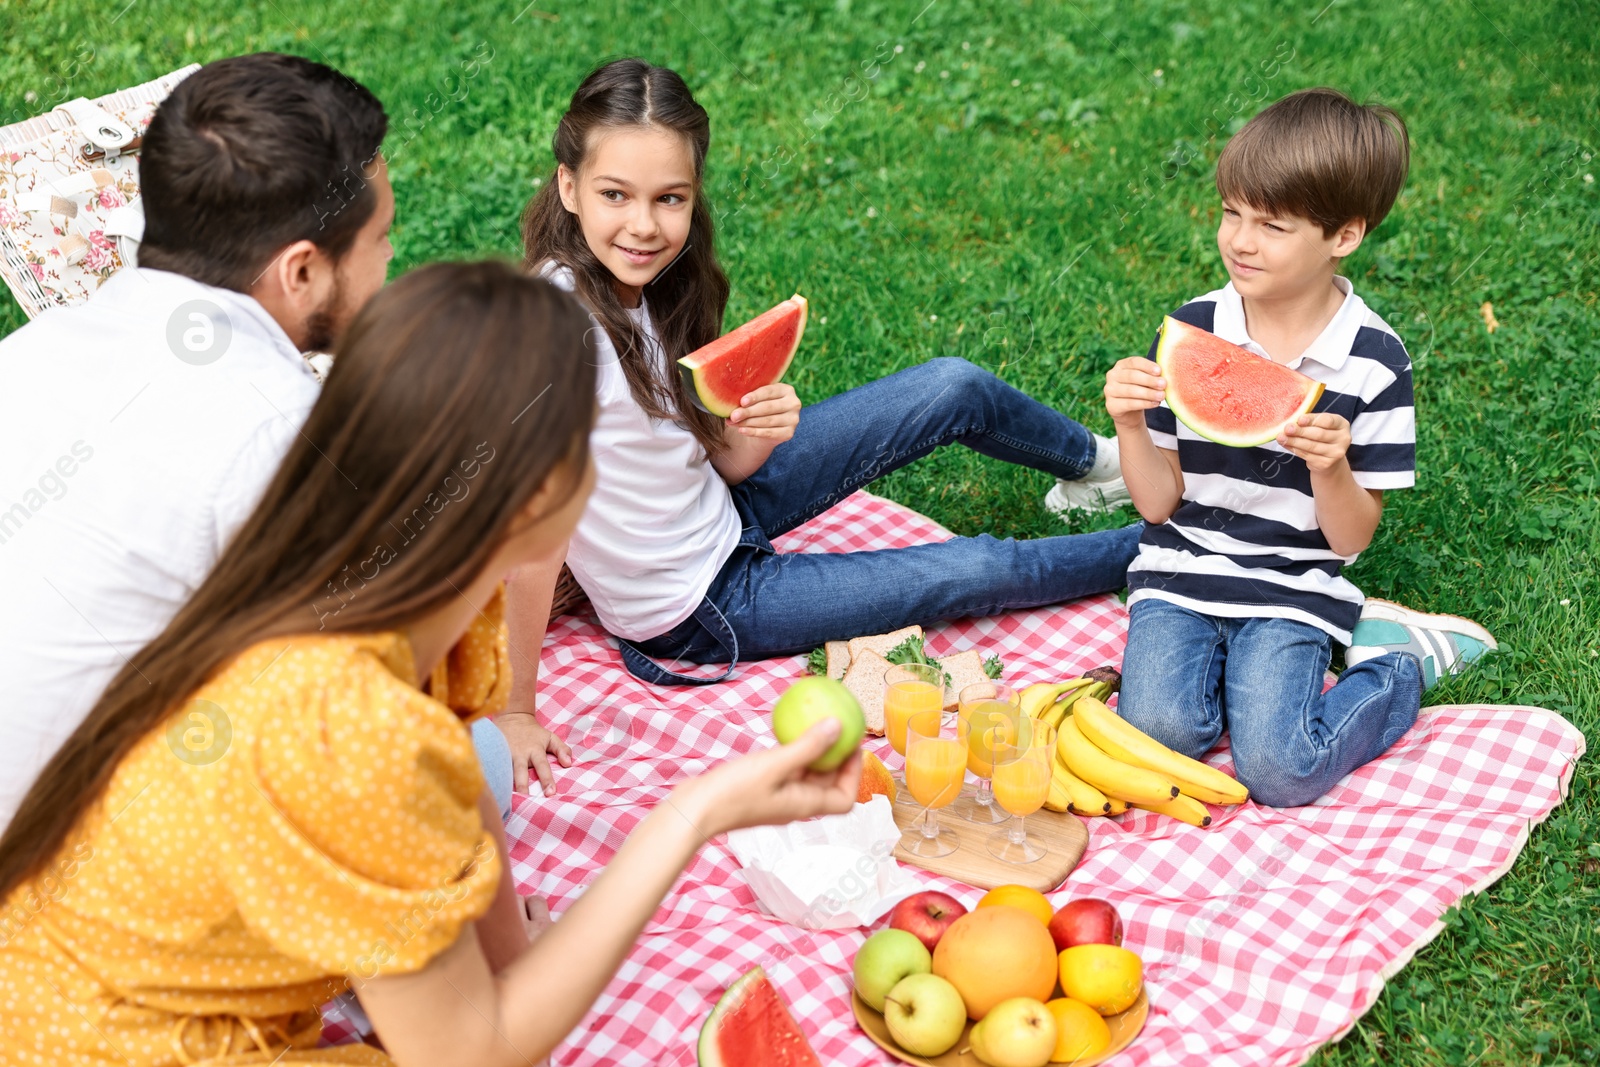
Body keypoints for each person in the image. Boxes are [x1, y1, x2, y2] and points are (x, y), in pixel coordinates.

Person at [0, 261, 859, 1066]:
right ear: (541, 492)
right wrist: (692, 813)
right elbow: (468, 1054)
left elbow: (458, 771)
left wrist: (512, 957)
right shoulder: (356, 727)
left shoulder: (394, 598)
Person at [0, 53, 542, 824]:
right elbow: (375, 714)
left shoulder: (35, 347)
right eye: (380, 240)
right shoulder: (281, 431)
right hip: (87, 865)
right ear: (301, 272)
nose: (391, 262)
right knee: (476, 759)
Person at [513, 57, 1141, 688]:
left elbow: (720, 460)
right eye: (614, 194)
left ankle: (1103, 468)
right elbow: (532, 540)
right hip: (704, 607)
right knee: (975, 569)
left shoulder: (652, 286)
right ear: (569, 187)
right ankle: (1170, 545)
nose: (644, 225)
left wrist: (756, 431)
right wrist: (515, 711)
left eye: (669, 198)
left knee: (955, 384)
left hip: (722, 503)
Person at [1104, 88, 1495, 807]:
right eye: (1231, 212)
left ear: (1343, 235)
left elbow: (1350, 537)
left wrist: (1330, 466)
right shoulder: (1195, 329)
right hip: (1180, 569)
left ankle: (1395, 665)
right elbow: (1159, 502)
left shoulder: (1375, 361)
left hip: (1296, 584)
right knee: (1155, 739)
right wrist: (1130, 426)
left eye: (1272, 225)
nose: (1239, 241)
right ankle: (1225, 682)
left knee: (1281, 769)